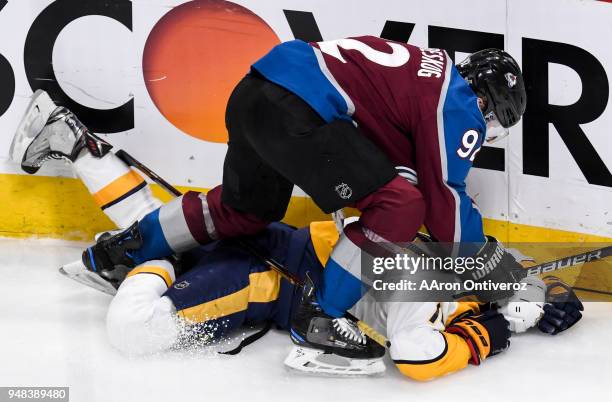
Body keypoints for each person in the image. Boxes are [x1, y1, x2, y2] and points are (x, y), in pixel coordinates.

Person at [11, 36, 531, 360]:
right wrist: (486, 263)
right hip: (296, 110)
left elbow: (379, 148)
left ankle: (119, 253)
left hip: (257, 91)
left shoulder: (424, 72)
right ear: (487, 99)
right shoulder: (459, 102)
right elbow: (443, 200)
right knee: (403, 204)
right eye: (493, 121)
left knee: (246, 209)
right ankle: (321, 315)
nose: (483, 131)